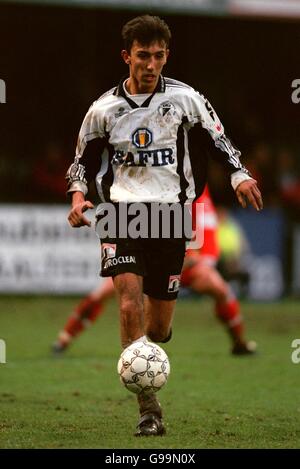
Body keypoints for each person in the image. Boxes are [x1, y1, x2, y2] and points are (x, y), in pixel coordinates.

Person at [66, 15, 263, 437]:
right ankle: (149, 408)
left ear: (166, 55)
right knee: (126, 302)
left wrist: (240, 175)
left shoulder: (186, 99)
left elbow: (219, 139)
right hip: (121, 213)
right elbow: (81, 161)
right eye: (142, 56)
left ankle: (151, 348)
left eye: (158, 56)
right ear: (126, 56)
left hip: (171, 216)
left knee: (157, 328)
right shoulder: (104, 109)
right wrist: (79, 196)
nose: (151, 64)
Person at [53, 186, 256, 356]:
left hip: (186, 264)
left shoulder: (197, 192)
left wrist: (201, 262)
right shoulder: (147, 186)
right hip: (149, 261)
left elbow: (206, 238)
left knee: (219, 288)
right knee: (103, 292)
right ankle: (64, 339)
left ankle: (239, 343)